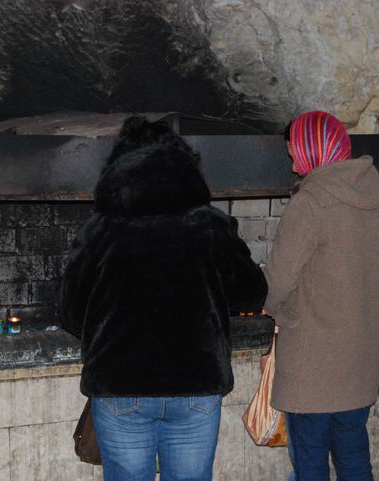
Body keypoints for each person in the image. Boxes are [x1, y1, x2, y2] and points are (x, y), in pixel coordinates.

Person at [59, 116, 268, 481]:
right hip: (195, 385)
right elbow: (250, 293)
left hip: (121, 386)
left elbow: (70, 313)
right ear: (184, 166)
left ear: (119, 167)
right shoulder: (210, 224)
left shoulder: (98, 229)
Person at [264, 111, 379, 481]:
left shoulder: (311, 202)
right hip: (359, 362)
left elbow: (277, 281)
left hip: (313, 368)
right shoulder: (375, 194)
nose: (292, 165)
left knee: (310, 467)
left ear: (312, 148)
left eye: (294, 153)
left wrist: (276, 312)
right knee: (354, 462)